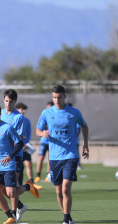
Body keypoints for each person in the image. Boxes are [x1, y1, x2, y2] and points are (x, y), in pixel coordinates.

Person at [0, 104, 39, 224]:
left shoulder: (8, 128)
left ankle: (28, 187)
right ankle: (10, 216)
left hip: (8, 165)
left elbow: (19, 144)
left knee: (11, 193)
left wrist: (10, 156)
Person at [36, 85, 89, 224]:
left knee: (66, 188)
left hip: (70, 156)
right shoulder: (47, 113)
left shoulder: (74, 112)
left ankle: (65, 220)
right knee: (58, 192)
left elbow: (84, 126)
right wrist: (43, 133)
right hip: (54, 158)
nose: (56, 100)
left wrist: (86, 145)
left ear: (64, 96)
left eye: (59, 97)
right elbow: (37, 130)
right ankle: (67, 215)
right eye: (54, 97)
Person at [0, 89, 28, 221]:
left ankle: (13, 214)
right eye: (6, 101)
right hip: (0, 158)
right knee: (1, 189)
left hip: (15, 155)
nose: (8, 104)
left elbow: (17, 138)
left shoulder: (19, 117)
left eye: (10, 101)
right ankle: (18, 207)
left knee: (11, 190)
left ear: (15, 102)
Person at [15, 102, 43, 190]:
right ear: (17, 109)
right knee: (18, 167)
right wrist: (18, 145)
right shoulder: (14, 119)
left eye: (24, 109)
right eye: (22, 109)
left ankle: (32, 184)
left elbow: (28, 134)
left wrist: (25, 144)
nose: (24, 111)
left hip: (25, 147)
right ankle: (18, 184)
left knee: (29, 164)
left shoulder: (27, 121)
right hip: (16, 147)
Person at [34, 101, 54, 183]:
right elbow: (39, 129)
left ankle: (48, 175)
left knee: (50, 158)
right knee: (41, 157)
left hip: (51, 141)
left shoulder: (54, 117)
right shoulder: (44, 116)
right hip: (44, 141)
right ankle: (38, 176)